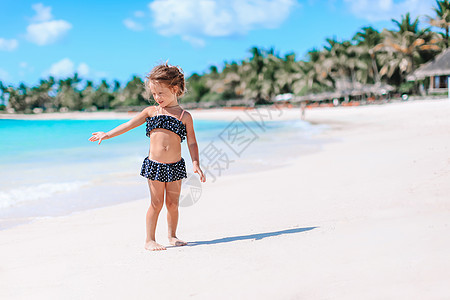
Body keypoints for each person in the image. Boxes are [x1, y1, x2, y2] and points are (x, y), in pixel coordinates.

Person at [88, 63, 206, 251]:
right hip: (155, 165)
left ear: (175, 89)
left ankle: (172, 235)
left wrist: (196, 163)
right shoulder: (150, 112)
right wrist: (108, 134)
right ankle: (149, 240)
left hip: (175, 166)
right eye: (154, 94)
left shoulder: (185, 116)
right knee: (156, 203)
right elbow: (128, 125)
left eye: (161, 93)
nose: (156, 98)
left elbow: (192, 142)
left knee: (173, 204)